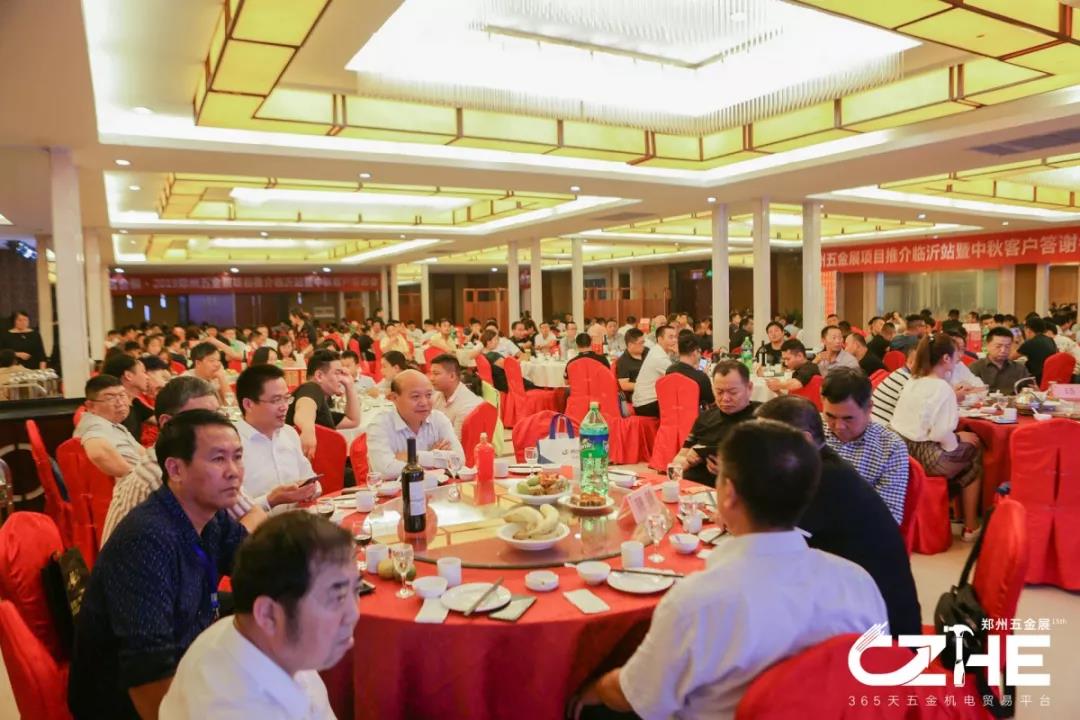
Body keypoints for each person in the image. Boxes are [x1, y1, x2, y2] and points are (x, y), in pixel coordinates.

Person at [574, 420, 887, 719]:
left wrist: (590, 690)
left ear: (728, 493)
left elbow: (637, 696)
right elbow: (872, 679)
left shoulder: (697, 601)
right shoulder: (857, 582)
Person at [68, 410, 250, 720]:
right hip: (123, 701)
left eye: (238, 457)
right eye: (219, 459)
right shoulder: (147, 540)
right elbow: (147, 672)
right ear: (175, 469)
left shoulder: (212, 516)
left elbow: (258, 565)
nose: (234, 472)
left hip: (187, 661)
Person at [158, 512, 356, 719]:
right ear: (268, 614)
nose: (353, 614)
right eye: (336, 598)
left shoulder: (261, 640)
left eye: (356, 590)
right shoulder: (234, 708)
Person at [755, 398, 921, 637]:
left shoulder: (825, 479)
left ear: (803, 440)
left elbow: (773, 546)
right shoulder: (817, 466)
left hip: (877, 631)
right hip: (850, 601)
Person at [102, 376, 267, 543]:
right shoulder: (162, 475)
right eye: (201, 419)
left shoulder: (205, 462)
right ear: (167, 423)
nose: (215, 426)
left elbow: (253, 514)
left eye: (217, 416)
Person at [890, 335, 983, 541]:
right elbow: (940, 434)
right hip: (925, 456)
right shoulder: (941, 387)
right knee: (974, 454)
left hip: (903, 450)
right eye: (956, 354)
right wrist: (957, 440)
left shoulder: (914, 380)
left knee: (964, 455)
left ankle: (953, 514)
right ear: (946, 358)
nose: (959, 358)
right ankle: (971, 526)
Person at [819, 369, 909, 524]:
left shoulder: (890, 446)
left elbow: (889, 517)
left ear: (869, 408)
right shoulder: (813, 429)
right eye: (830, 416)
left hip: (854, 530)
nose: (839, 426)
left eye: (848, 418)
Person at [234, 364, 321, 511]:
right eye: (276, 400)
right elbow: (228, 511)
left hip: (297, 519)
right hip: (257, 525)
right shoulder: (231, 444)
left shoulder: (289, 433)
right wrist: (271, 500)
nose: (284, 407)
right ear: (248, 404)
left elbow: (310, 479)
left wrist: (310, 489)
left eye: (286, 398)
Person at [365, 369, 465, 478]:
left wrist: (414, 456)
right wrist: (436, 461)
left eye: (428, 395)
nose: (424, 402)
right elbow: (385, 470)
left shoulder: (438, 419)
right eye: (415, 396)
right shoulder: (380, 425)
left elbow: (459, 460)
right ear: (394, 398)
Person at [673, 361, 759, 485]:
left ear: (749, 388)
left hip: (737, 489)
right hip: (695, 487)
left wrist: (731, 472)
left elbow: (776, 469)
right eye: (719, 392)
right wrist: (687, 460)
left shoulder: (763, 418)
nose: (725, 398)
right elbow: (677, 460)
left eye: (733, 392)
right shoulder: (705, 417)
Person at [284, 349, 360, 459]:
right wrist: (307, 429)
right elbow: (305, 407)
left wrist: (350, 386)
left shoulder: (320, 407)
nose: (341, 378)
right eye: (337, 373)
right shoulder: (311, 388)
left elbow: (353, 421)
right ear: (319, 376)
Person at [75, 374, 147, 480]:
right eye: (110, 398)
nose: (120, 403)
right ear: (91, 406)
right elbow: (98, 453)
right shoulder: (94, 425)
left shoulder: (114, 425)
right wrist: (137, 477)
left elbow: (144, 454)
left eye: (122, 395)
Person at [103, 354, 155, 440]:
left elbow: (161, 419)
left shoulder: (134, 402)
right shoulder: (116, 410)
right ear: (128, 375)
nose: (147, 377)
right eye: (143, 372)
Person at [430, 353, 484, 436]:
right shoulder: (438, 395)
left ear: (452, 376)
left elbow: (456, 441)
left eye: (436, 374)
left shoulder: (467, 405)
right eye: (431, 373)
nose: (431, 378)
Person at [631, 325, 676, 417]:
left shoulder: (657, 350)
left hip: (644, 402)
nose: (675, 340)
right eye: (671, 337)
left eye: (675, 337)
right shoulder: (658, 357)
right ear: (660, 339)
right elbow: (680, 376)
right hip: (646, 404)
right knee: (680, 406)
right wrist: (680, 354)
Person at [969, 327, 1031, 394]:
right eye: (998, 346)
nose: (1003, 350)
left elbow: (1029, 392)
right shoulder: (976, 367)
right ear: (987, 345)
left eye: (1007, 346)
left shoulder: (1020, 369)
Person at [665, 333, 714, 411]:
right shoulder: (701, 377)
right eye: (699, 352)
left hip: (673, 413)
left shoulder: (669, 371)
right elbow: (711, 402)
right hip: (696, 417)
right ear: (694, 352)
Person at [870, 347, 914, 426]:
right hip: (879, 427)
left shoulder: (900, 372)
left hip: (870, 421)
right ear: (911, 362)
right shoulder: (908, 380)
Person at [1015, 316, 1057, 385]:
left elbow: (1010, 357)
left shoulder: (1031, 343)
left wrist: (1013, 342)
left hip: (1034, 379)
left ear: (1028, 330)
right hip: (1048, 377)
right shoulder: (1050, 340)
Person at [615, 328, 647, 402]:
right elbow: (624, 385)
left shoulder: (646, 351)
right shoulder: (623, 361)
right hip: (636, 395)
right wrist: (645, 386)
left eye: (643, 342)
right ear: (630, 345)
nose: (643, 345)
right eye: (641, 343)